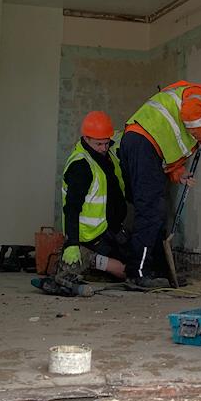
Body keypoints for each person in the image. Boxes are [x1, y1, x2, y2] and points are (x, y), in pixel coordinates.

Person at [119, 81, 201, 288]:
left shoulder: (192, 123)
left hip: (144, 145)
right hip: (144, 143)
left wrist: (179, 174)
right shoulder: (198, 97)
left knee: (155, 212)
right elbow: (191, 115)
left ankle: (155, 270)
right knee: (151, 211)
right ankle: (137, 272)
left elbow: (170, 153)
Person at [50, 111, 129, 297]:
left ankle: (100, 265)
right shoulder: (81, 166)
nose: (103, 148)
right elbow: (71, 208)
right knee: (123, 269)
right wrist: (72, 243)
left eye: (106, 142)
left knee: (137, 265)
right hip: (92, 236)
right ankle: (90, 260)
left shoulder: (104, 154)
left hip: (111, 231)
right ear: (86, 139)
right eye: (98, 144)